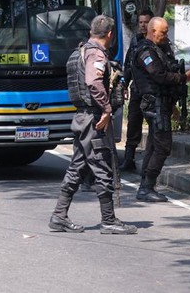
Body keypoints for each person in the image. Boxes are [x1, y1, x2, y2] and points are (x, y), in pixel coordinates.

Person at [49, 15, 137, 235]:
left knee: (77, 167)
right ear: (109, 34)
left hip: (83, 118)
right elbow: (93, 81)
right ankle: (108, 220)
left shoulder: (81, 50)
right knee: (102, 167)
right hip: (94, 119)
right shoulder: (96, 53)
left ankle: (59, 216)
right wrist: (107, 109)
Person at [133, 16, 190, 202]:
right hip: (155, 104)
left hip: (162, 103)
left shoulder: (159, 49)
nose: (166, 35)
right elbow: (159, 75)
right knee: (163, 146)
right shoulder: (146, 51)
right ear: (152, 32)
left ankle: (146, 185)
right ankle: (146, 187)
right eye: (163, 32)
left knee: (154, 145)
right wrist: (183, 78)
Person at [119, 9, 153, 172]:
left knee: (155, 125)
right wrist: (124, 84)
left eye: (146, 22)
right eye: (140, 22)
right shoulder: (135, 41)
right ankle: (128, 158)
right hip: (137, 89)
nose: (143, 25)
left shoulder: (159, 42)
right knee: (133, 123)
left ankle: (151, 161)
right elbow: (128, 65)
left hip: (153, 90)